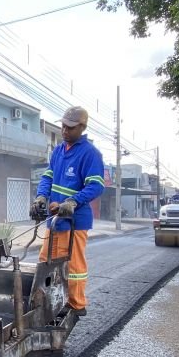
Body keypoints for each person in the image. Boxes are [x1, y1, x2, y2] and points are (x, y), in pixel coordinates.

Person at [30, 106, 106, 313]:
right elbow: (47, 177)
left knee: (73, 265)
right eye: (63, 126)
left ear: (82, 127)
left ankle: (75, 304)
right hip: (54, 219)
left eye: (70, 128)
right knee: (46, 259)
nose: (64, 131)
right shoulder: (58, 151)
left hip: (75, 220)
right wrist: (41, 197)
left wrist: (71, 202)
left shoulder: (90, 154)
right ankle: (47, 300)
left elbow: (95, 186)